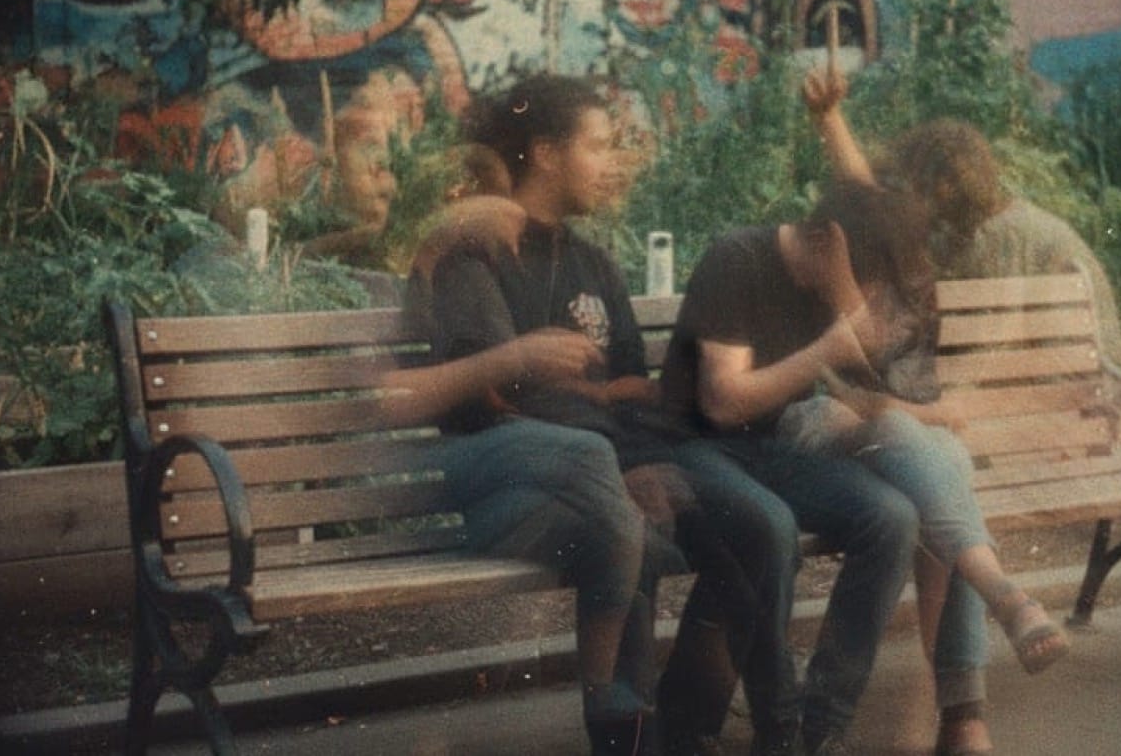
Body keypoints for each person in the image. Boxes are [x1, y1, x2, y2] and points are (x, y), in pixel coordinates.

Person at [418, 74, 802, 756]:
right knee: (629, 532)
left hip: (613, 461)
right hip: (522, 486)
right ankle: (634, 737)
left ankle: (695, 721)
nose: (612, 163)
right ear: (545, 151)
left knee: (760, 526)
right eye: (597, 146)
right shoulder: (479, 251)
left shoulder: (592, 260)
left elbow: (628, 384)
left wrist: (642, 456)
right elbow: (489, 403)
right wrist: (612, 465)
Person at [658, 181, 1068, 756]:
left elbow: (869, 402)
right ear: (830, 241)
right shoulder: (739, 258)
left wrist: (898, 399)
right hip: (700, 449)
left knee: (893, 517)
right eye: (869, 276)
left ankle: (824, 725)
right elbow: (723, 402)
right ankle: (781, 731)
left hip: (776, 449)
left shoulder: (832, 285)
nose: (870, 295)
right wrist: (829, 348)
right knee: (771, 526)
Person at [370, 322, 652, 754]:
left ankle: (621, 725)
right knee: (607, 488)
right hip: (484, 460)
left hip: (537, 488)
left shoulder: (567, 268)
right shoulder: (462, 270)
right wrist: (514, 361)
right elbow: (391, 399)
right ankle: (609, 706)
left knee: (621, 532)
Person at [803, 67, 1121, 403]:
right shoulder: (994, 224)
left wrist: (901, 401)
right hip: (1085, 389)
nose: (899, 199)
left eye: (909, 186)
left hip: (1071, 399)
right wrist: (830, 119)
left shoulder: (999, 237)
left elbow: (980, 359)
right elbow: (869, 200)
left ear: (941, 187)